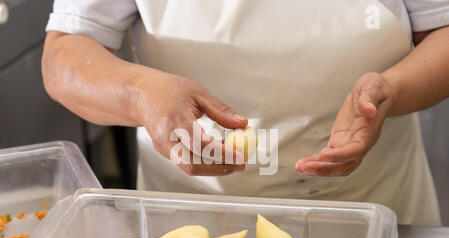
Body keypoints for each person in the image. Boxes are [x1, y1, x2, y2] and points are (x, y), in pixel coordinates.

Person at [43, 0, 449, 226]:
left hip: (373, 210)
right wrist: (140, 94)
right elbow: (64, 55)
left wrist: (392, 91)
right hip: (191, 228)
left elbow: (442, 30)